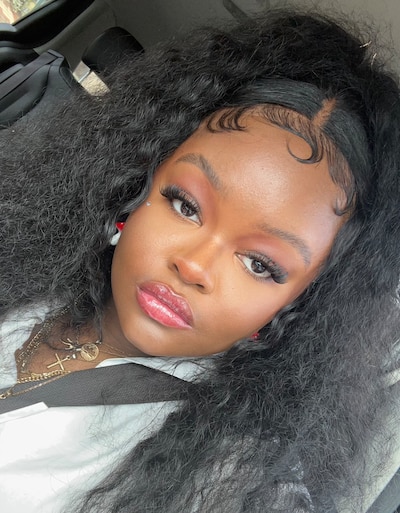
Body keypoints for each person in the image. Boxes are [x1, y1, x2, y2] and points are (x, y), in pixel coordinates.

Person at [0, 6, 400, 513]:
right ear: (136, 184)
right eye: (185, 205)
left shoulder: (230, 477)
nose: (193, 265)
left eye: (261, 264)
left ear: (299, 306)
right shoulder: (30, 264)